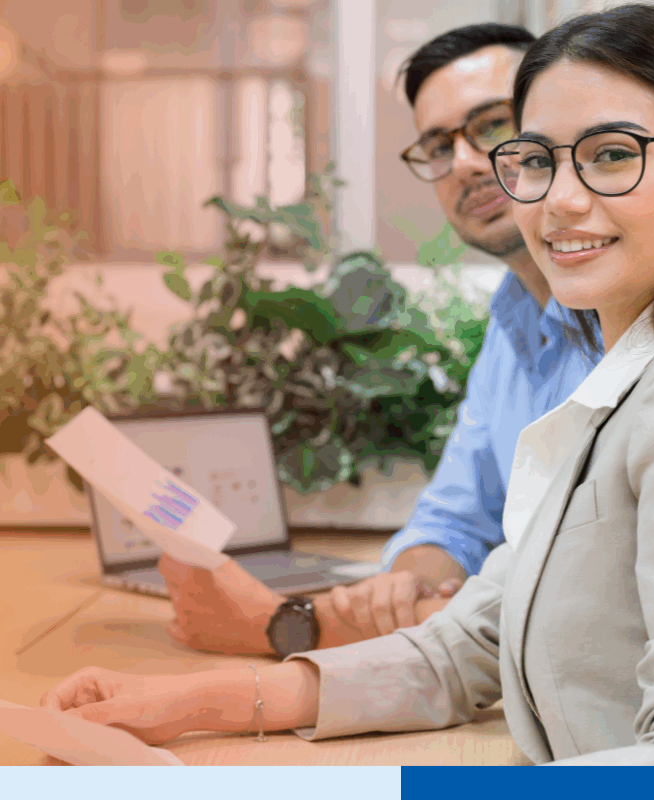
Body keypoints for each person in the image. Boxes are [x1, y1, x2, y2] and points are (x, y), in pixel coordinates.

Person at [41, 4, 654, 765]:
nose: (559, 199)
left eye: (611, 153)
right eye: (537, 160)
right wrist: (194, 703)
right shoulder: (621, 369)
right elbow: (464, 645)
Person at [156, 23, 602, 657]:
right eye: (438, 146)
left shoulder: (633, 321)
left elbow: (588, 592)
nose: (467, 164)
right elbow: (454, 520)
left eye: (493, 126)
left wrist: (289, 625)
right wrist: (401, 590)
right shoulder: (512, 322)